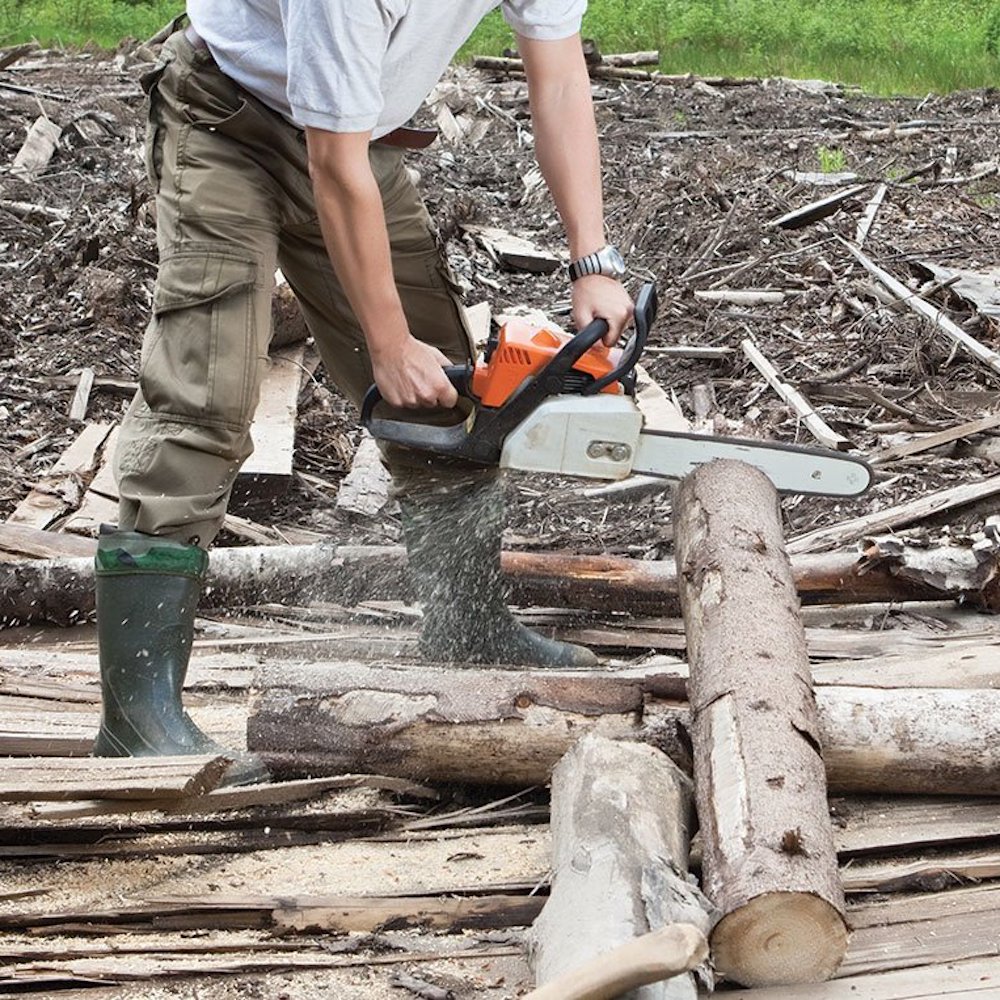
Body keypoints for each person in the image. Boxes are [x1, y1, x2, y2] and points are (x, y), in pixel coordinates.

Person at [93, 1, 635, 785]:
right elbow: (332, 167)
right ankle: (135, 717)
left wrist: (593, 261)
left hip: (354, 136)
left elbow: (557, 80)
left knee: (447, 385)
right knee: (204, 392)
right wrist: (383, 346)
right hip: (225, 123)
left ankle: (468, 625)